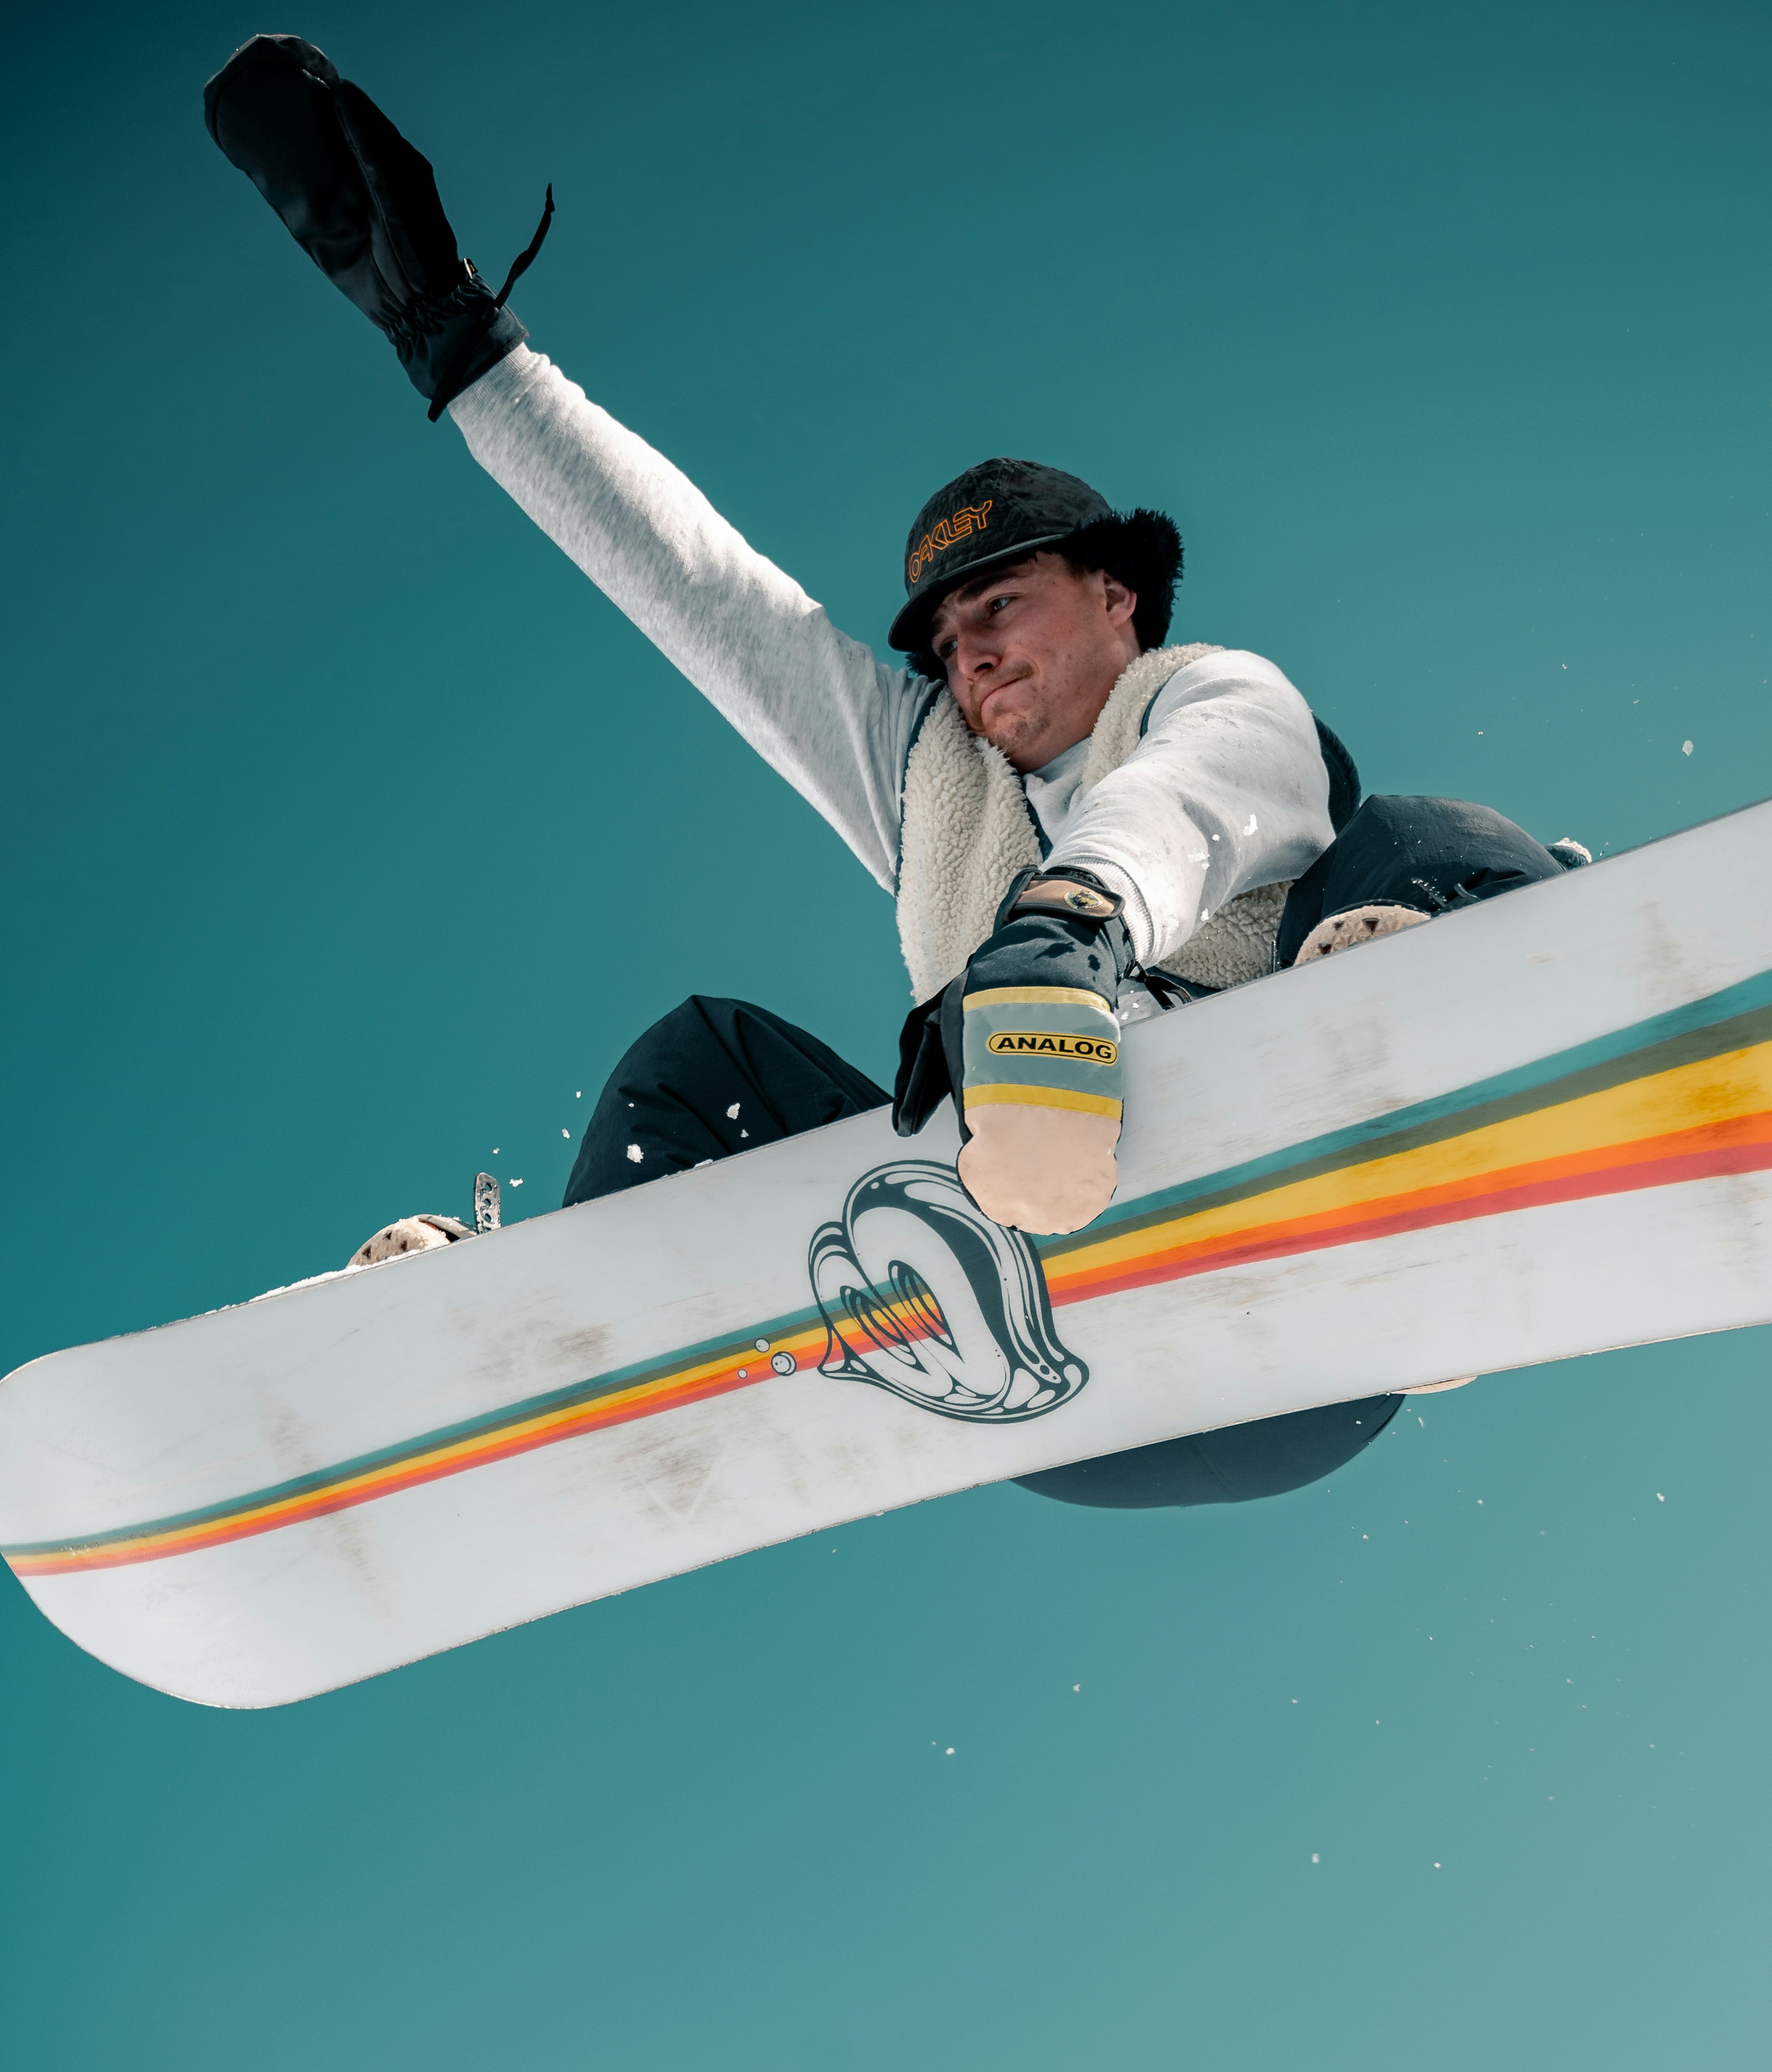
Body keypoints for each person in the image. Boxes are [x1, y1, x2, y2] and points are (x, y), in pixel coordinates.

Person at [205, 34, 1585, 1509]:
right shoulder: (937, 786)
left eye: (1001, 609)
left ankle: (1435, 1153)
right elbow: (709, 600)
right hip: (1048, 1363)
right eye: (944, 640)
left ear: (1119, 597)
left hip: (1308, 1340)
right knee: (697, 1073)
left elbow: (1192, 797)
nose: (970, 658)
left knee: (1444, 844)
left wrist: (1069, 930)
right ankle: (537, 1342)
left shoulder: (1217, 705)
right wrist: (463, 354)